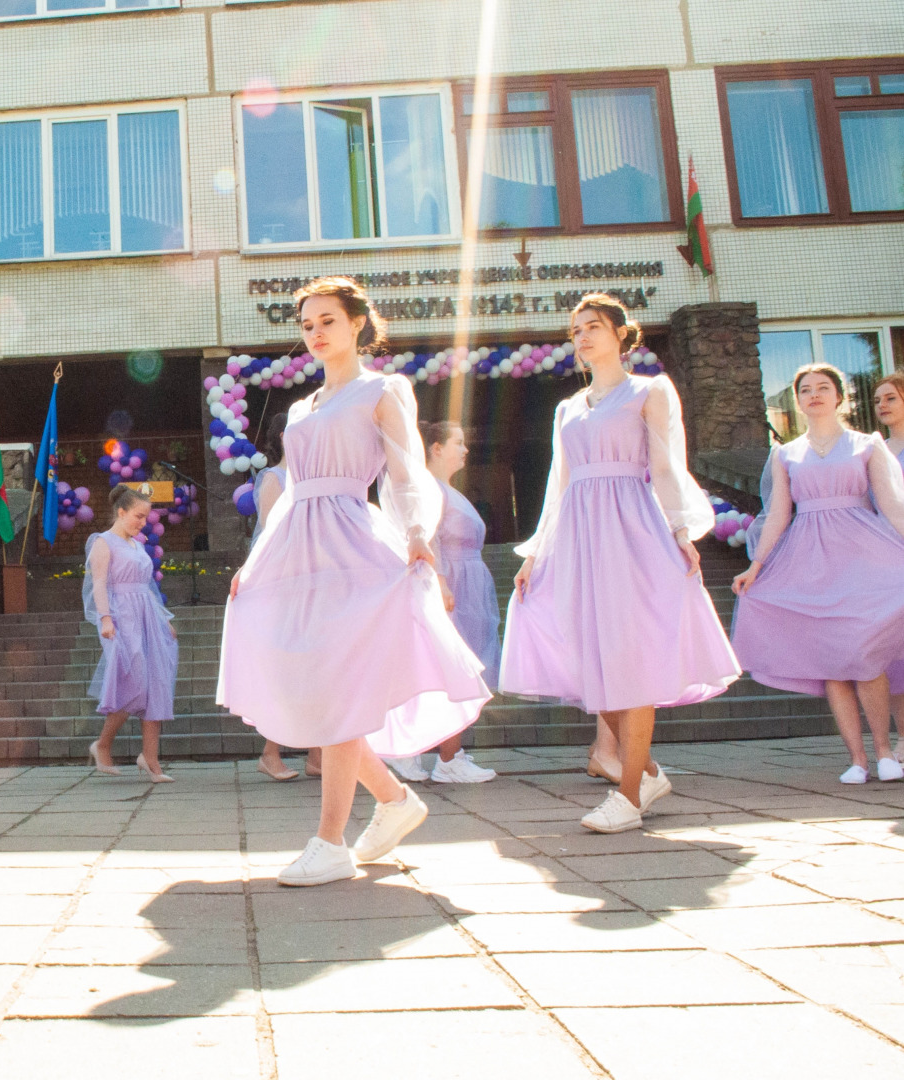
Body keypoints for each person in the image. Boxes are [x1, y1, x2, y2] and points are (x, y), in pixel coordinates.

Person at [219, 277, 489, 886]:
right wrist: (255, 559)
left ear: (357, 324)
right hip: (297, 548)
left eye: (327, 321)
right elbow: (288, 495)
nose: (315, 332)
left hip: (350, 543)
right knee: (315, 690)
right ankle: (394, 800)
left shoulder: (382, 389)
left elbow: (405, 472)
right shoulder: (301, 406)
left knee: (340, 692)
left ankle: (329, 841)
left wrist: (419, 534)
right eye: (307, 323)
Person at [502, 293, 739, 834]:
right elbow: (557, 485)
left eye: (592, 327)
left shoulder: (649, 391)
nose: (582, 337)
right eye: (575, 330)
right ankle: (647, 770)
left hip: (632, 531)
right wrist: (535, 550)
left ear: (619, 334)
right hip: (577, 538)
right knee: (590, 663)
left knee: (630, 662)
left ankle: (629, 797)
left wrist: (682, 529)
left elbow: (667, 464)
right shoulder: (567, 407)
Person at [732, 364, 904, 785]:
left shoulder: (868, 445)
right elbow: (777, 515)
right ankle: (857, 758)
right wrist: (756, 566)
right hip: (809, 559)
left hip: (865, 556)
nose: (814, 395)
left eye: (823, 388)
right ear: (797, 399)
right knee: (831, 661)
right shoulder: (786, 453)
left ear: (839, 396)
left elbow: (892, 504)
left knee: (865, 655)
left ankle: (885, 751)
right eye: (805, 389)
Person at [384, 421, 499, 784]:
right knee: (453, 668)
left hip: (470, 582)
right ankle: (449, 758)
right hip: (453, 585)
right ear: (435, 448)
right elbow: (428, 538)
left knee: (456, 667)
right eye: (458, 442)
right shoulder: (431, 489)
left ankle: (429, 754)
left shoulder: (448, 489)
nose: (465, 449)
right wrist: (442, 584)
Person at [85, 484, 180, 782]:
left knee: (155, 684)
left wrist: (164, 619)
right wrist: (105, 619)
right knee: (134, 684)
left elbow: (147, 587)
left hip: (147, 617)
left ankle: (150, 760)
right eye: (138, 517)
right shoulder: (104, 542)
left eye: (145, 518)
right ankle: (102, 745)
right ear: (121, 511)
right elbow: (99, 584)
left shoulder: (137, 546)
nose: (142, 523)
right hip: (122, 618)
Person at [251, 411, 321, 782]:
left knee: (317, 670)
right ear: (282, 436)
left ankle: (318, 755)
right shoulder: (274, 479)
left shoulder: (312, 480)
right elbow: (269, 536)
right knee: (288, 672)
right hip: (284, 587)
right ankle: (270, 752)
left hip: (314, 583)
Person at [872, 373, 904, 764]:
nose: (881, 404)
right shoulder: (875, 450)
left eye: (891, 397)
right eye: (878, 399)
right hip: (885, 559)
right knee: (896, 655)